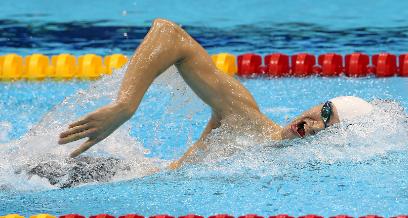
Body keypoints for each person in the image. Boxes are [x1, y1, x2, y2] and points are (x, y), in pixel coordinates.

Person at [58, 18, 374, 169]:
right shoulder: (245, 118)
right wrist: (125, 106)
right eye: (325, 110)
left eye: (328, 124)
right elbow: (171, 36)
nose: (316, 122)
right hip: (103, 174)